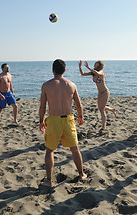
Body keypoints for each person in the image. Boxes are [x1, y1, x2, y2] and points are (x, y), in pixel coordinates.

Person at [39, 59, 87, 187]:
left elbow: (42, 107)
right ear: (64, 70)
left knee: (50, 151)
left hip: (54, 120)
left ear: (53, 70)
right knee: (75, 149)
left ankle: (49, 181)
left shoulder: (46, 85)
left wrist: (41, 121)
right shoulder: (71, 85)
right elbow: (78, 104)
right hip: (68, 119)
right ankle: (82, 174)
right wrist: (81, 116)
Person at [78, 60, 116, 134]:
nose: (95, 64)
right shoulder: (93, 73)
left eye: (96, 63)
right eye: (95, 63)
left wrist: (88, 67)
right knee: (100, 108)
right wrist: (80, 67)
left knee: (102, 109)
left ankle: (104, 127)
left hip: (105, 92)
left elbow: (97, 73)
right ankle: (112, 110)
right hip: (100, 93)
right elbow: (83, 74)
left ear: (99, 65)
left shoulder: (101, 72)